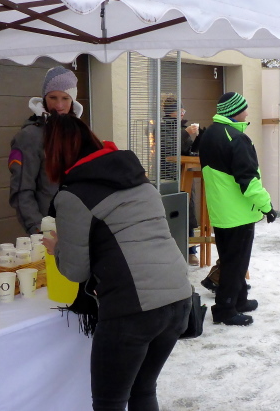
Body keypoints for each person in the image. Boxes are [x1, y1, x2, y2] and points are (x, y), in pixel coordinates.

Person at [42, 113, 192, 411]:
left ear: (55, 153)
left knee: (109, 403)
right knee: (143, 391)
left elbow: (75, 270)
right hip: (178, 298)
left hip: (132, 309)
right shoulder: (138, 178)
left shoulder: (73, 195)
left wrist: (57, 248)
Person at [199, 92, 277, 326]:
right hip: (238, 213)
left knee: (231, 258)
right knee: (236, 263)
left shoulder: (210, 134)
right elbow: (249, 180)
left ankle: (239, 300)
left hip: (221, 210)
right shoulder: (237, 138)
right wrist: (267, 206)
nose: (247, 112)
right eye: (244, 108)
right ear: (235, 111)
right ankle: (225, 309)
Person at [8, 66, 83, 234]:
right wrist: (39, 230)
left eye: (65, 98)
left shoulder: (79, 133)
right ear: (44, 98)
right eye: (53, 97)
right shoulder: (29, 137)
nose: (59, 105)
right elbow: (21, 191)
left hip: (79, 227)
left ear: (73, 101)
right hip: (49, 230)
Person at [161, 97, 201, 265]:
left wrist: (198, 140)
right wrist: (186, 134)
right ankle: (172, 250)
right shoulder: (163, 127)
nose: (183, 112)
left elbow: (187, 151)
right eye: (180, 109)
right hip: (168, 176)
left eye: (183, 109)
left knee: (188, 210)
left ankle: (191, 250)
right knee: (171, 211)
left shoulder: (183, 128)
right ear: (171, 111)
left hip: (186, 174)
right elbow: (169, 148)